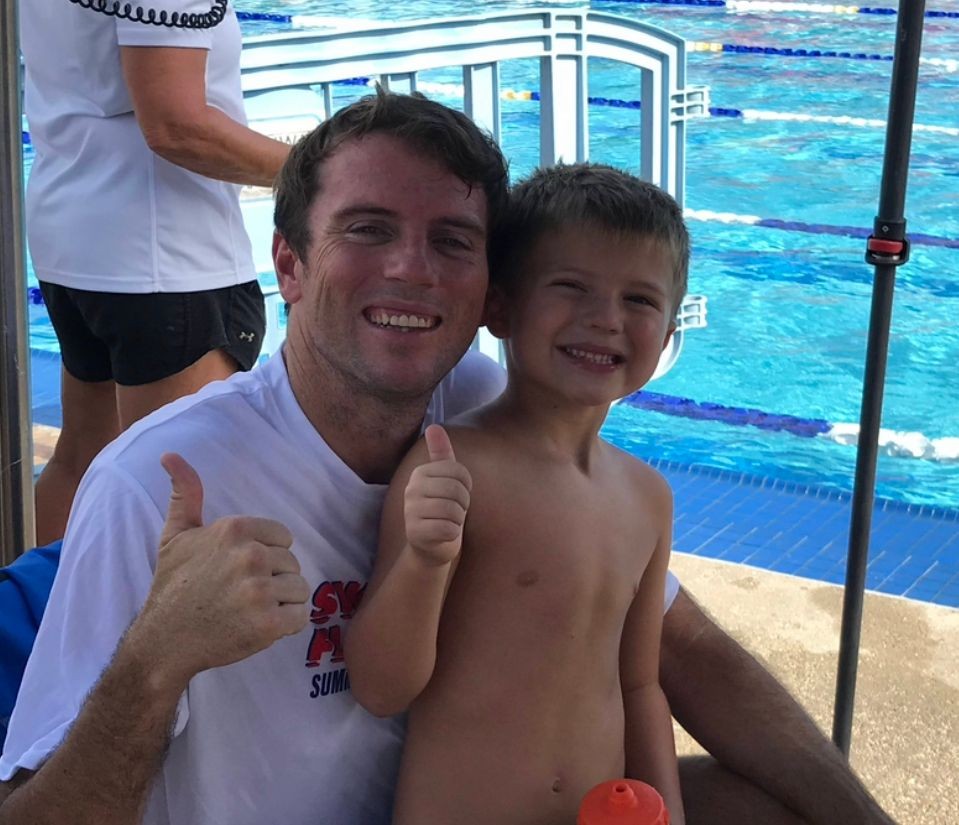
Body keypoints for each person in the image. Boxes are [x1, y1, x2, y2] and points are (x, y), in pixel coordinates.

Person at [0, 91, 896, 825]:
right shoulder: (162, 482)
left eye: (451, 241)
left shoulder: (484, 406)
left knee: (767, 810)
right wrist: (158, 657)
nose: (413, 270)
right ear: (290, 263)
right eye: (366, 229)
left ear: (488, 290)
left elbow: (675, 644)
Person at [345, 164, 687, 824]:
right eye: (571, 288)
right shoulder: (455, 467)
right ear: (500, 309)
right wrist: (423, 560)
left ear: (670, 331)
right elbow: (380, 687)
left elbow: (638, 683)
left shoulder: (647, 497)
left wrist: (667, 810)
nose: (605, 319)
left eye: (640, 301)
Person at [20, 0, 293, 544]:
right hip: (166, 259)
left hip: (75, 240)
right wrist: (326, 171)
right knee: (190, 490)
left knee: (81, 461)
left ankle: (46, 626)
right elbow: (177, 125)